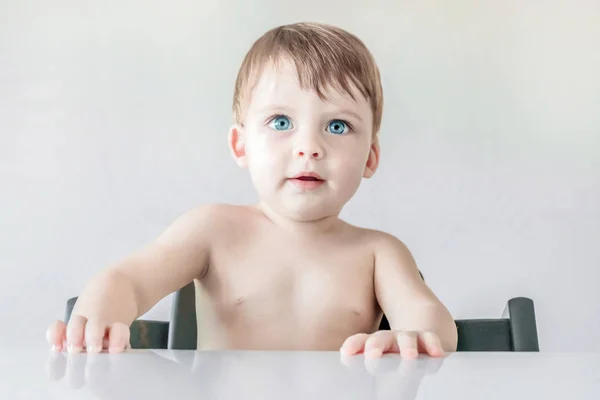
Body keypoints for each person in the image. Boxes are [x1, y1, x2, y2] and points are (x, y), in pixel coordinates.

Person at [46, 22, 457, 359]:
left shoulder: (378, 253)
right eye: (281, 122)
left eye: (337, 126)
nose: (308, 147)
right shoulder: (213, 231)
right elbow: (130, 279)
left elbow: (427, 313)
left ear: (370, 157)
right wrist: (100, 314)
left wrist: (416, 337)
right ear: (241, 145)